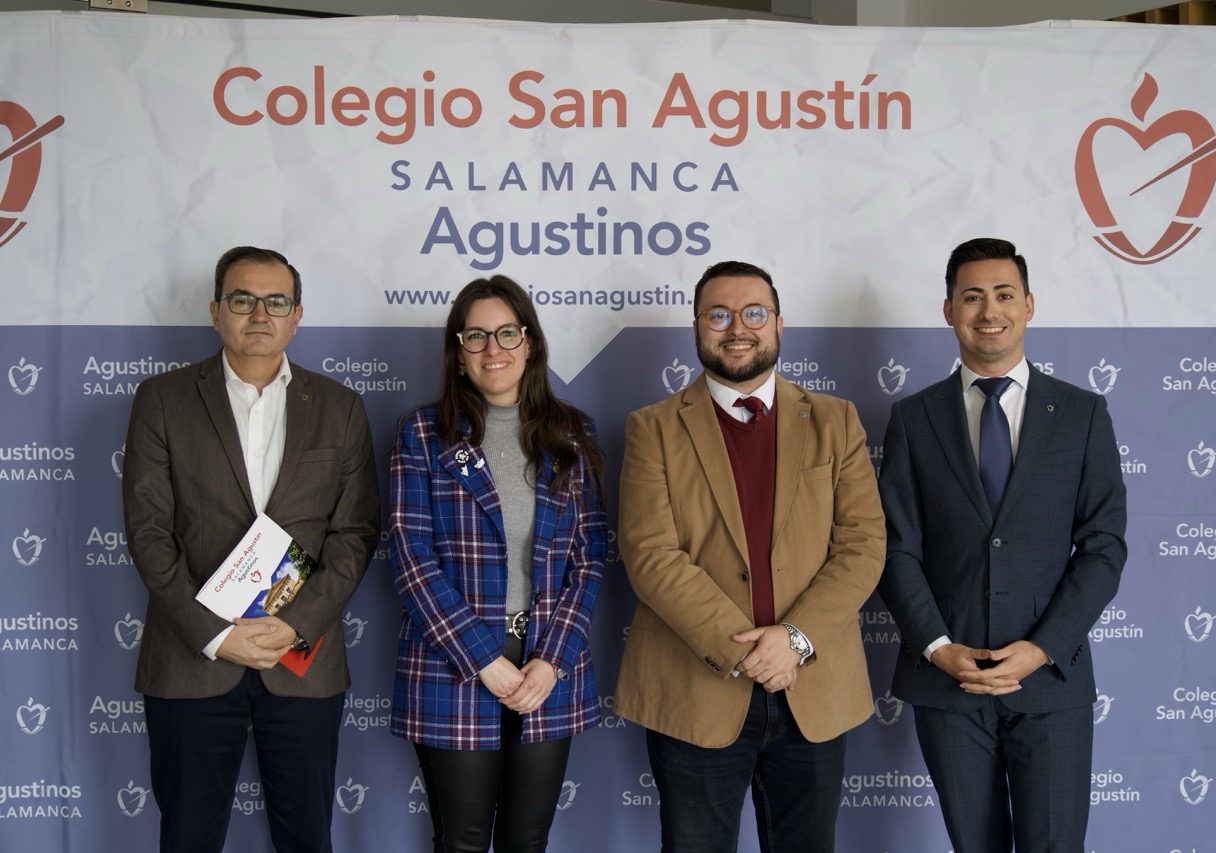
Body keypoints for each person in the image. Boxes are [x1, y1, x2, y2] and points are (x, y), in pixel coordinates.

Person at [614, 260, 886, 853]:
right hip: (695, 690)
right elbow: (651, 555)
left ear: (779, 325)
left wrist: (791, 640)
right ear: (696, 329)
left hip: (813, 689)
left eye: (753, 313)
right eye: (719, 314)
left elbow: (863, 544)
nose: (737, 328)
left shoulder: (837, 422)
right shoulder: (652, 428)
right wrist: (751, 653)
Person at [122, 246, 380, 853]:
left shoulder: (340, 408)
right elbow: (149, 531)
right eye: (242, 300)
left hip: (302, 662)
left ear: (296, 316)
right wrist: (215, 633)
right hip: (191, 659)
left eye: (276, 302)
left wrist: (293, 626)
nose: (259, 313)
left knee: (307, 838)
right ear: (217, 312)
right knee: (187, 837)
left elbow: (355, 533)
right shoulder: (161, 400)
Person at [877, 237, 1127, 852]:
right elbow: (895, 546)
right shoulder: (912, 419)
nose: (989, 311)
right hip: (947, 681)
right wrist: (937, 647)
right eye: (972, 296)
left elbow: (1103, 547)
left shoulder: (1082, 413)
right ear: (948, 310)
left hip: (1051, 681)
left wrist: (1042, 649)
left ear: (1029, 304)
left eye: (1004, 294)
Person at [389, 275, 607, 853]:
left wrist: (550, 662)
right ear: (458, 353)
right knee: (461, 842)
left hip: (548, 666)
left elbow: (587, 561)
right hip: (453, 664)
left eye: (507, 333)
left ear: (529, 343)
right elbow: (413, 560)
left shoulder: (571, 433)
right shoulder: (421, 434)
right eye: (477, 336)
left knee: (526, 842)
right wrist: (484, 659)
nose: (494, 349)